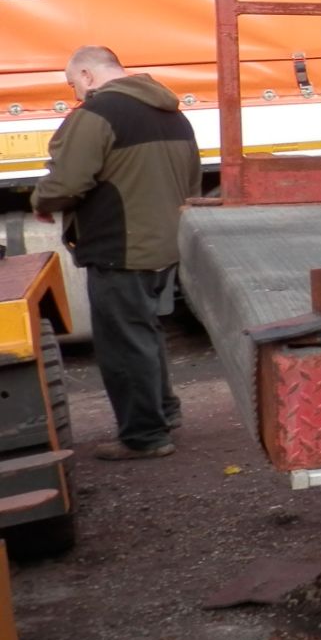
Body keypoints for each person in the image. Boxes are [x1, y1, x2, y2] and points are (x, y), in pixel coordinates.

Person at [30, 47, 201, 460]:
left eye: (74, 85)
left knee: (123, 344)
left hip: (120, 247)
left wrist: (41, 200)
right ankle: (164, 413)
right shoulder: (171, 111)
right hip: (164, 242)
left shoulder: (96, 115)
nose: (76, 95)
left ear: (87, 74)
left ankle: (145, 436)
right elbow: (193, 178)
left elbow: (69, 180)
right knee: (145, 333)